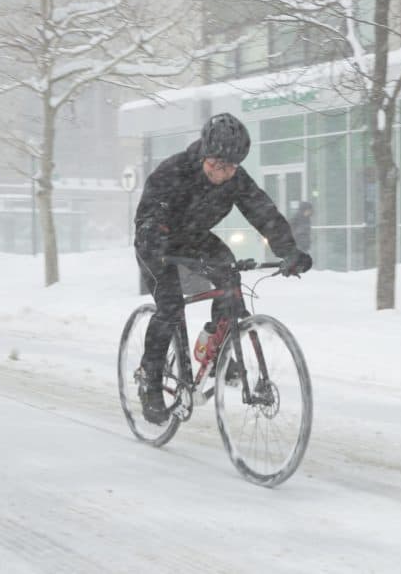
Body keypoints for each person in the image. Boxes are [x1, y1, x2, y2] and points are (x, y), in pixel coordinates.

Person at [133, 113, 312, 424]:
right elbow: (149, 214)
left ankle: (215, 344)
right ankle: (150, 380)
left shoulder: (236, 180)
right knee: (171, 305)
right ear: (204, 153)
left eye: (230, 167)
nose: (222, 173)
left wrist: (289, 252)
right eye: (216, 164)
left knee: (230, 276)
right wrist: (156, 244)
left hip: (194, 239)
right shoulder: (174, 172)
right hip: (156, 244)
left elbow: (263, 213)